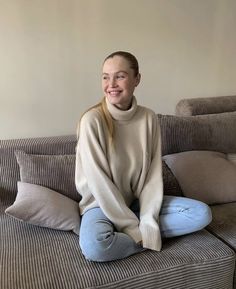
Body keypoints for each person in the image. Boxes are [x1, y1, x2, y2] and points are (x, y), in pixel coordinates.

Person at [75, 51, 212, 262]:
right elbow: (99, 184)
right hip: (100, 205)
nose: (111, 83)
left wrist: (147, 217)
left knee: (201, 214)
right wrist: (135, 229)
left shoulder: (149, 118)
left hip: (136, 203)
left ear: (137, 79)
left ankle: (142, 232)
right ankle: (148, 238)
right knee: (95, 247)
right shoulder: (92, 121)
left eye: (119, 76)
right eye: (105, 76)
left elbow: (151, 177)